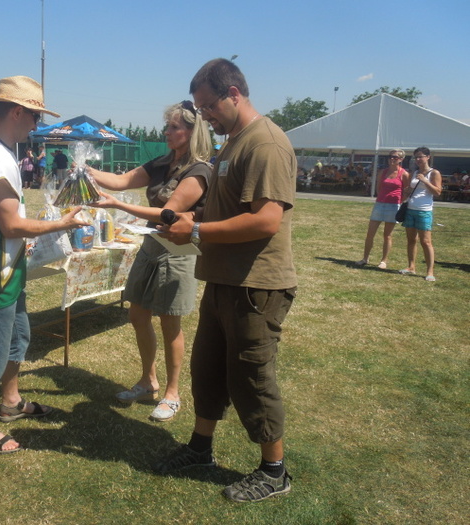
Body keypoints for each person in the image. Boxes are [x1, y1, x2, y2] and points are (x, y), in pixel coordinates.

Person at [155, 58, 298, 503]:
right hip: (223, 279)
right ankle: (200, 448)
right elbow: (226, 207)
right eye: (200, 109)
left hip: (256, 286)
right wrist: (186, 219)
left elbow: (267, 219)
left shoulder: (266, 143)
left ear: (233, 94)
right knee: (208, 370)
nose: (205, 117)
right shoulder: (233, 143)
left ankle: (274, 472)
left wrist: (196, 230)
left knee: (252, 378)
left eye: (209, 107)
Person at [0, 75, 88, 454]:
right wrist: (62, 224)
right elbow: (11, 225)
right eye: (35, 116)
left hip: (6, 266)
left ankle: (10, 402)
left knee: (17, 337)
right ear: (17, 112)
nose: (36, 125)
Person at [86, 100, 212, 422]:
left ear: (191, 131)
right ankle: (148, 381)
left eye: (173, 127)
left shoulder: (199, 170)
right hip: (151, 246)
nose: (166, 131)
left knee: (170, 323)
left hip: (178, 250)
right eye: (167, 125)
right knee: (138, 314)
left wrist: (118, 206)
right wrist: (86, 171)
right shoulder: (162, 162)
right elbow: (122, 180)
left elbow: (167, 212)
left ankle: (172, 393)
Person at [354, 149, 409, 269]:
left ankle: (384, 261)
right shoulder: (383, 172)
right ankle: (365, 258)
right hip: (380, 204)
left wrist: (399, 201)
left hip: (393, 206)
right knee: (370, 233)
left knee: (387, 235)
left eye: (395, 157)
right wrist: (381, 198)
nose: (392, 159)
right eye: (390, 156)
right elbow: (378, 188)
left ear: (401, 159)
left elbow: (406, 191)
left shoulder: (404, 174)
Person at [398, 146, 442, 281]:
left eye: (420, 157)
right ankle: (411, 267)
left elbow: (437, 192)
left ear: (428, 157)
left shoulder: (434, 173)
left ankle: (430, 271)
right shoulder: (415, 172)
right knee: (411, 240)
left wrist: (425, 181)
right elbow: (411, 189)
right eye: (416, 157)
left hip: (424, 211)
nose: (417, 159)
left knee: (426, 242)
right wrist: (407, 192)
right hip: (410, 209)